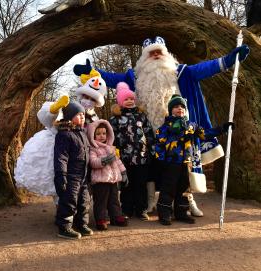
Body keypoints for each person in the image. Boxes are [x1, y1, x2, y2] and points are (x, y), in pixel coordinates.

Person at [74, 36, 250, 216]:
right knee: (150, 169)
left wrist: (229, 59)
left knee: (184, 168)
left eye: (160, 52)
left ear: (166, 54)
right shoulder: (134, 77)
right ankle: (150, 202)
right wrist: (92, 72)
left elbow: (206, 68)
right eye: (152, 53)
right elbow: (112, 79)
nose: (156, 55)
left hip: (179, 132)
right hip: (148, 134)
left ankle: (188, 201)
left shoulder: (181, 72)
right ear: (144, 58)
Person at [155, 94, 233, 225]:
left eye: (182, 107)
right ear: (170, 110)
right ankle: (164, 213)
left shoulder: (191, 125)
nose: (179, 109)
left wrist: (222, 129)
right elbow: (159, 144)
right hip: (171, 162)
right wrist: (161, 160)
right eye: (176, 107)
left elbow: (205, 134)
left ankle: (181, 212)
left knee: (184, 188)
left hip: (187, 162)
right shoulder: (165, 127)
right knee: (168, 188)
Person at [109, 82, 155, 220]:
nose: (129, 101)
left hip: (142, 157)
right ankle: (126, 209)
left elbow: (149, 134)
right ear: (120, 102)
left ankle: (141, 209)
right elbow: (111, 138)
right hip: (124, 158)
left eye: (131, 99)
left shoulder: (142, 116)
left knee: (141, 184)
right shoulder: (115, 119)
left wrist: (152, 150)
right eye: (126, 99)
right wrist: (114, 152)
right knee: (126, 184)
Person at [14, 94, 69, 201]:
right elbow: (45, 118)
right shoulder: (42, 139)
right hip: (50, 146)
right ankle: (60, 206)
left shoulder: (68, 134)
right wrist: (55, 109)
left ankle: (62, 207)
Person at [54, 101, 93, 239]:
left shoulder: (82, 133)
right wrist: (61, 174)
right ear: (70, 117)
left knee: (84, 201)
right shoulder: (64, 135)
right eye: (79, 114)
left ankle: (81, 224)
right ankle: (64, 227)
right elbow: (61, 157)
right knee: (69, 200)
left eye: (83, 114)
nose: (82, 117)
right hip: (71, 175)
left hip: (83, 174)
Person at [87, 119, 129, 231]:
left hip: (113, 179)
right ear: (93, 135)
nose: (102, 136)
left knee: (114, 199)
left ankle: (116, 217)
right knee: (101, 201)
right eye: (98, 134)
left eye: (104, 133)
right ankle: (100, 219)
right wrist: (104, 160)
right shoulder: (93, 149)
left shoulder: (111, 147)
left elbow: (118, 161)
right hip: (100, 180)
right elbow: (93, 162)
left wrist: (123, 172)